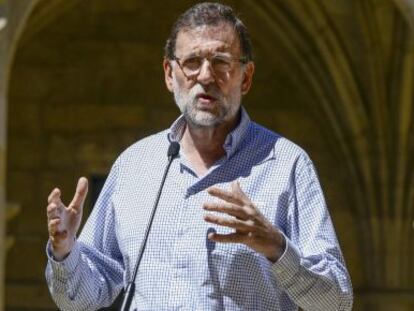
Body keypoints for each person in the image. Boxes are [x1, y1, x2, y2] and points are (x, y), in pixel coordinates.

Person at [45, 2, 353, 310]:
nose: (205, 76)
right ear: (170, 73)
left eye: (221, 62)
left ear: (245, 78)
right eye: (192, 62)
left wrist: (276, 246)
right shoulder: (134, 166)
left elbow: (336, 302)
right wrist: (65, 253)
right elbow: (82, 300)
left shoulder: (287, 165)